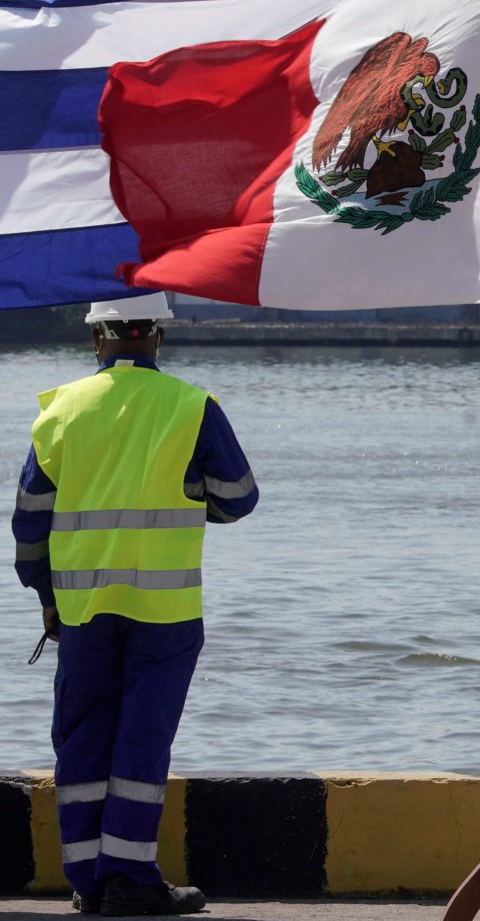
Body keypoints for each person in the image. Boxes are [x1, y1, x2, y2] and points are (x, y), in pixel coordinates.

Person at [14, 294, 258, 915]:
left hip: (82, 608)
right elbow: (238, 497)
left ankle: (89, 882)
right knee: (142, 738)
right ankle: (131, 874)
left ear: (97, 338)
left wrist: (45, 595)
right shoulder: (191, 407)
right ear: (157, 337)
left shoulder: (60, 410)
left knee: (83, 736)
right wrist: (188, 493)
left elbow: (29, 524)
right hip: (165, 610)